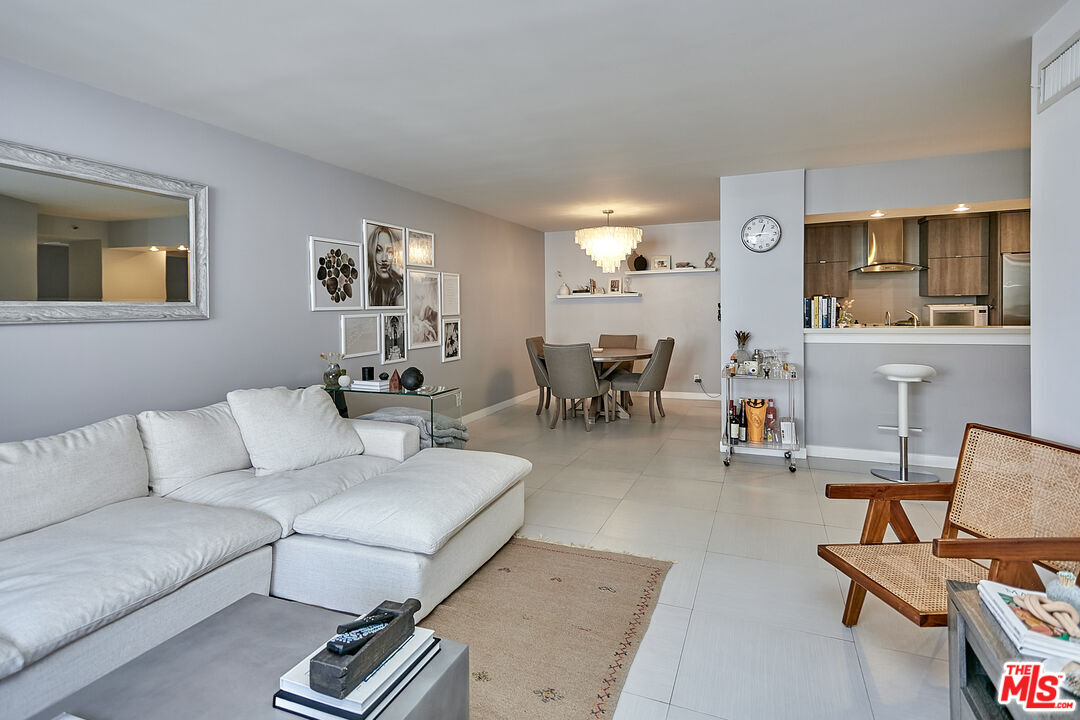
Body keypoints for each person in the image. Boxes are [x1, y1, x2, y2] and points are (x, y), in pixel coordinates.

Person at [367, 225, 403, 307]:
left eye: (390, 251)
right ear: (371, 253)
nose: (384, 259)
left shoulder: (401, 288)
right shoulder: (365, 288)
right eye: (378, 250)